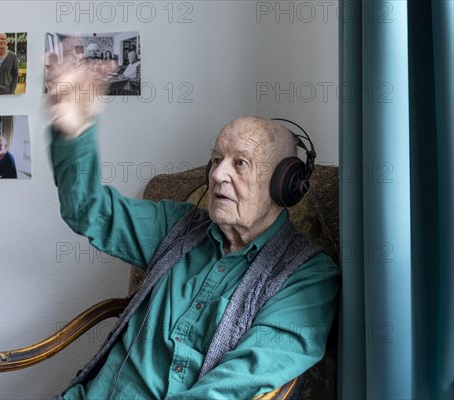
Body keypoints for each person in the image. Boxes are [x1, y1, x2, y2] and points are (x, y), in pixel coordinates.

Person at [46, 60, 340, 398]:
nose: (217, 175)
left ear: (283, 184)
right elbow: (88, 211)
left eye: (239, 163)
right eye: (216, 160)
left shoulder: (308, 276)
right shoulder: (177, 226)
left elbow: (234, 385)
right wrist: (72, 132)